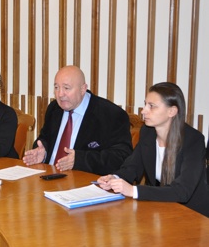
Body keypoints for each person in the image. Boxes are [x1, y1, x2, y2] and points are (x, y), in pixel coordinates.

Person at [97, 82, 209, 217]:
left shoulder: (194, 140)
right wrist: (114, 178)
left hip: (192, 214)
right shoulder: (147, 132)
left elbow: (182, 191)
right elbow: (132, 167)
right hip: (159, 208)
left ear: (172, 111)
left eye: (152, 106)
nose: (143, 111)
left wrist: (133, 191)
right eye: (145, 104)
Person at [23, 65, 132, 175]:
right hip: (48, 177)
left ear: (83, 89)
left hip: (84, 184)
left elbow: (121, 157)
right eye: (56, 88)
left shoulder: (111, 115)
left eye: (66, 88)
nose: (60, 94)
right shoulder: (54, 108)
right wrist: (42, 152)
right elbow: (44, 138)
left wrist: (80, 160)